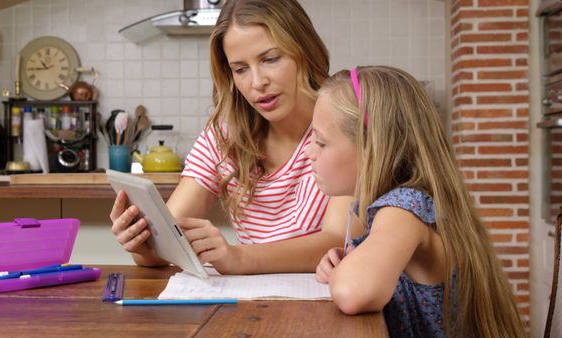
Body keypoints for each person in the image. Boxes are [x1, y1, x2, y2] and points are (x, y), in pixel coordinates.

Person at [110, 0, 350, 275]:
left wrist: (238, 258)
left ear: (305, 51)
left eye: (270, 59)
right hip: (251, 311)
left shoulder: (347, 122)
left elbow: (338, 241)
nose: (257, 82)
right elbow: (169, 238)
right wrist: (142, 244)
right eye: (240, 69)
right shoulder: (223, 136)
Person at [307, 66, 526, 337]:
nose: (309, 152)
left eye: (320, 142)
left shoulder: (403, 209)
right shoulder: (400, 205)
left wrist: (341, 272)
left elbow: (353, 293)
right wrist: (351, 259)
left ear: (372, 146)